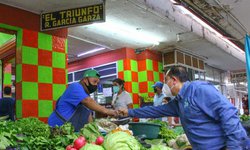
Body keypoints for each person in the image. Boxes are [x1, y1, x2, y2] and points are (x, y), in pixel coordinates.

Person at [118, 66, 249, 149]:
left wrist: (234, 146)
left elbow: (229, 114)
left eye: (166, 81)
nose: (165, 85)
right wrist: (130, 112)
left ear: (174, 80)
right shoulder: (179, 101)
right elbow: (155, 110)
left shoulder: (199, 89)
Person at [48, 69, 117, 131]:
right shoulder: (75, 86)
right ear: (85, 80)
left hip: (71, 130)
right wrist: (107, 111)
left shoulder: (86, 95)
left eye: (97, 83)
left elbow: (88, 115)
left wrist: (94, 130)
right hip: (58, 127)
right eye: (94, 81)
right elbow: (87, 101)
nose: (96, 85)